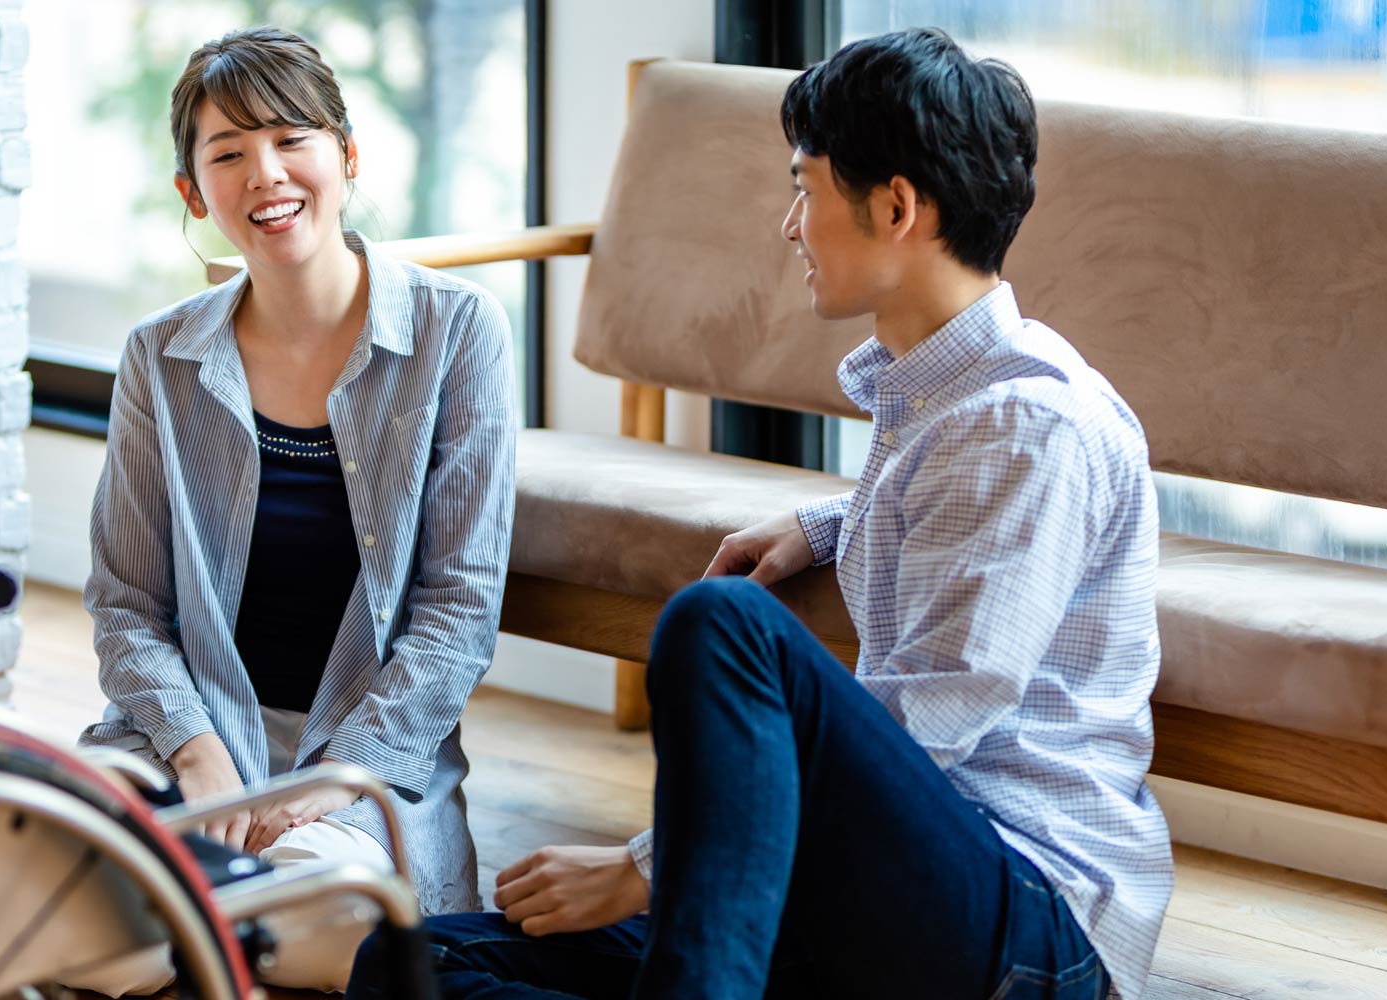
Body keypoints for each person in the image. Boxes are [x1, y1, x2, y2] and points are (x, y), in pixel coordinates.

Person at [352, 27, 1173, 1000]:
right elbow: (950, 508)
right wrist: (828, 523)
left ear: (896, 207)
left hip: (1024, 921)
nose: (789, 225)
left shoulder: (1026, 429)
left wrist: (642, 867)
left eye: (804, 187)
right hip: (877, 902)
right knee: (407, 964)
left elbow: (926, 725)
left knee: (722, 626)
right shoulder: (950, 409)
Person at [80, 25, 517, 994]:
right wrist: (198, 759)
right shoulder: (160, 356)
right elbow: (124, 604)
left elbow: (457, 613)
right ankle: (191, 924)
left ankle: (188, 934)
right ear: (194, 193)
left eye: (290, 138)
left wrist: (329, 779)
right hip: (182, 735)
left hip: (364, 754)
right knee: (43, 871)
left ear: (346, 156)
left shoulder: (457, 333)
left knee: (320, 911)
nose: (264, 173)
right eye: (226, 154)